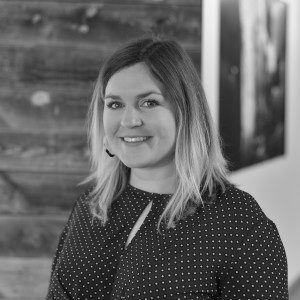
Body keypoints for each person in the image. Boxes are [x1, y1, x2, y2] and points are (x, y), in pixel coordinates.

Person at [46, 37, 288, 300]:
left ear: (185, 112)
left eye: (149, 102)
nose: (129, 120)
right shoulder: (90, 208)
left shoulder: (240, 224)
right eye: (115, 104)